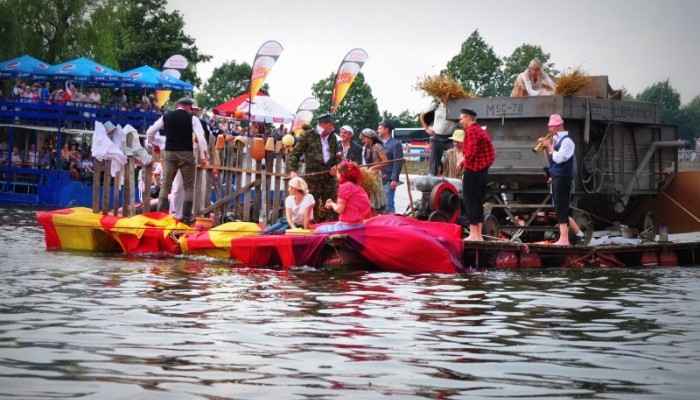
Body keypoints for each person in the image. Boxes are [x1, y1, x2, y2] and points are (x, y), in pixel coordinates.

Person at [146, 97, 209, 225]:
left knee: (166, 185)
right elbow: (201, 139)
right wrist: (203, 158)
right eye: (190, 107)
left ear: (178, 105)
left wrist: (155, 145)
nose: (191, 110)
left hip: (170, 154)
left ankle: (160, 215)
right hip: (186, 154)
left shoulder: (166, 117)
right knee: (188, 187)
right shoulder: (192, 119)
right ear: (187, 106)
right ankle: (186, 218)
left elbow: (149, 132)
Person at [287, 113, 341, 222]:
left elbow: (337, 155)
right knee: (312, 203)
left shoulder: (333, 137)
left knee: (331, 202)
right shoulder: (308, 135)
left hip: (328, 176)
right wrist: (293, 171)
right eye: (331, 125)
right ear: (323, 125)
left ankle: (331, 226)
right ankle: (312, 228)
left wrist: (335, 165)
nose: (332, 127)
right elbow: (295, 154)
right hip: (313, 177)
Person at [538, 114, 582, 245]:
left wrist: (550, 147)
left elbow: (560, 158)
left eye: (551, 126)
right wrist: (546, 148)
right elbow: (552, 161)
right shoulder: (556, 140)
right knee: (558, 208)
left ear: (558, 126)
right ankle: (563, 238)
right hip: (557, 176)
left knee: (562, 208)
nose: (549, 129)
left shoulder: (567, 142)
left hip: (563, 177)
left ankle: (564, 239)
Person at [459, 107, 495, 241]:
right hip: (482, 172)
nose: (460, 121)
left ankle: (473, 234)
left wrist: (462, 160)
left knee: (470, 202)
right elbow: (491, 155)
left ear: (468, 118)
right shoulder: (481, 131)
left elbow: (471, 151)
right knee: (479, 202)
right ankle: (478, 235)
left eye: (462, 118)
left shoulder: (472, 131)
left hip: (473, 172)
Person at [315, 161, 371, 233]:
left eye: (338, 173)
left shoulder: (345, 186)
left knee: (318, 230)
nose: (336, 175)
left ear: (342, 174)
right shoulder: (358, 188)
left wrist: (332, 204)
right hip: (359, 224)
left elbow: (339, 210)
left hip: (348, 226)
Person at [420, 96, 458, 176]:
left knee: (454, 160)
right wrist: (427, 129)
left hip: (450, 138)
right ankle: (431, 180)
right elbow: (422, 116)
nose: (441, 98)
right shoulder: (436, 105)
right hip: (436, 137)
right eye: (440, 96)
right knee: (433, 163)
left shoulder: (456, 105)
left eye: (443, 95)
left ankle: (454, 179)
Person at [377, 118, 404, 214]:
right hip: (378, 179)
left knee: (389, 205)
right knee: (379, 206)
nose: (378, 130)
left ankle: (391, 225)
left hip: (388, 180)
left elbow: (398, 163)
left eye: (380, 128)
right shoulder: (378, 143)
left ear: (386, 129)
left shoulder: (395, 144)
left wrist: (394, 179)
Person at [360, 128, 388, 215]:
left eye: (364, 138)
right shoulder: (365, 148)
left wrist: (373, 168)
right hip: (368, 176)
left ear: (370, 137)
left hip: (376, 176)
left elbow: (386, 161)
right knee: (368, 202)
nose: (363, 140)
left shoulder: (377, 146)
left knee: (375, 202)